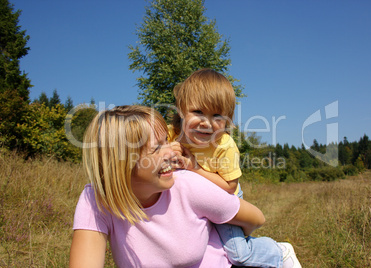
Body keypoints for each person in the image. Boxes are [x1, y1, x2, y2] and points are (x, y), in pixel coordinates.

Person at [69, 105, 284, 268]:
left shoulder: (187, 185)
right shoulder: (97, 200)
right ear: (120, 164)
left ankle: (282, 255)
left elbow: (256, 218)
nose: (171, 153)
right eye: (156, 149)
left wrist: (220, 236)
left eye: (166, 142)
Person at [169, 68, 301, 268]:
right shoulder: (172, 134)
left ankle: (279, 251)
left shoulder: (225, 145)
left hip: (224, 198)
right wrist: (165, 150)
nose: (206, 122)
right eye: (198, 112)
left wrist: (194, 167)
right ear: (181, 109)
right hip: (192, 200)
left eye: (217, 116)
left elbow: (229, 186)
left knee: (239, 254)